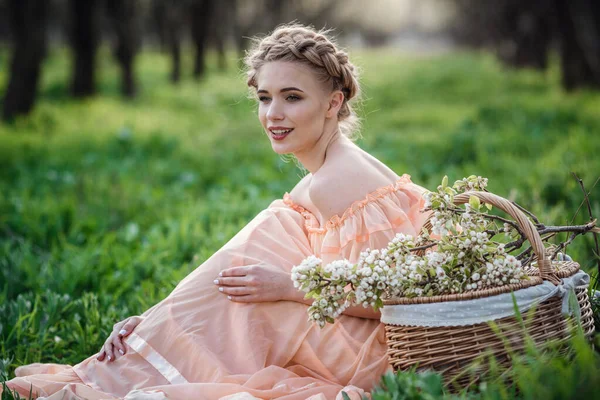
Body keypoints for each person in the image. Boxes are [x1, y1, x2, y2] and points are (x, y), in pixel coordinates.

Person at [2, 23, 430, 400]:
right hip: (352, 331)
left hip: (381, 353)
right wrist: (159, 318)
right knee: (276, 230)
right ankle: (152, 340)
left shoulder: (338, 179)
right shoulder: (327, 172)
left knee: (272, 243)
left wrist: (288, 286)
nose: (273, 114)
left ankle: (137, 359)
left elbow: (393, 300)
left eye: (292, 97)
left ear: (333, 103)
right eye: (264, 98)